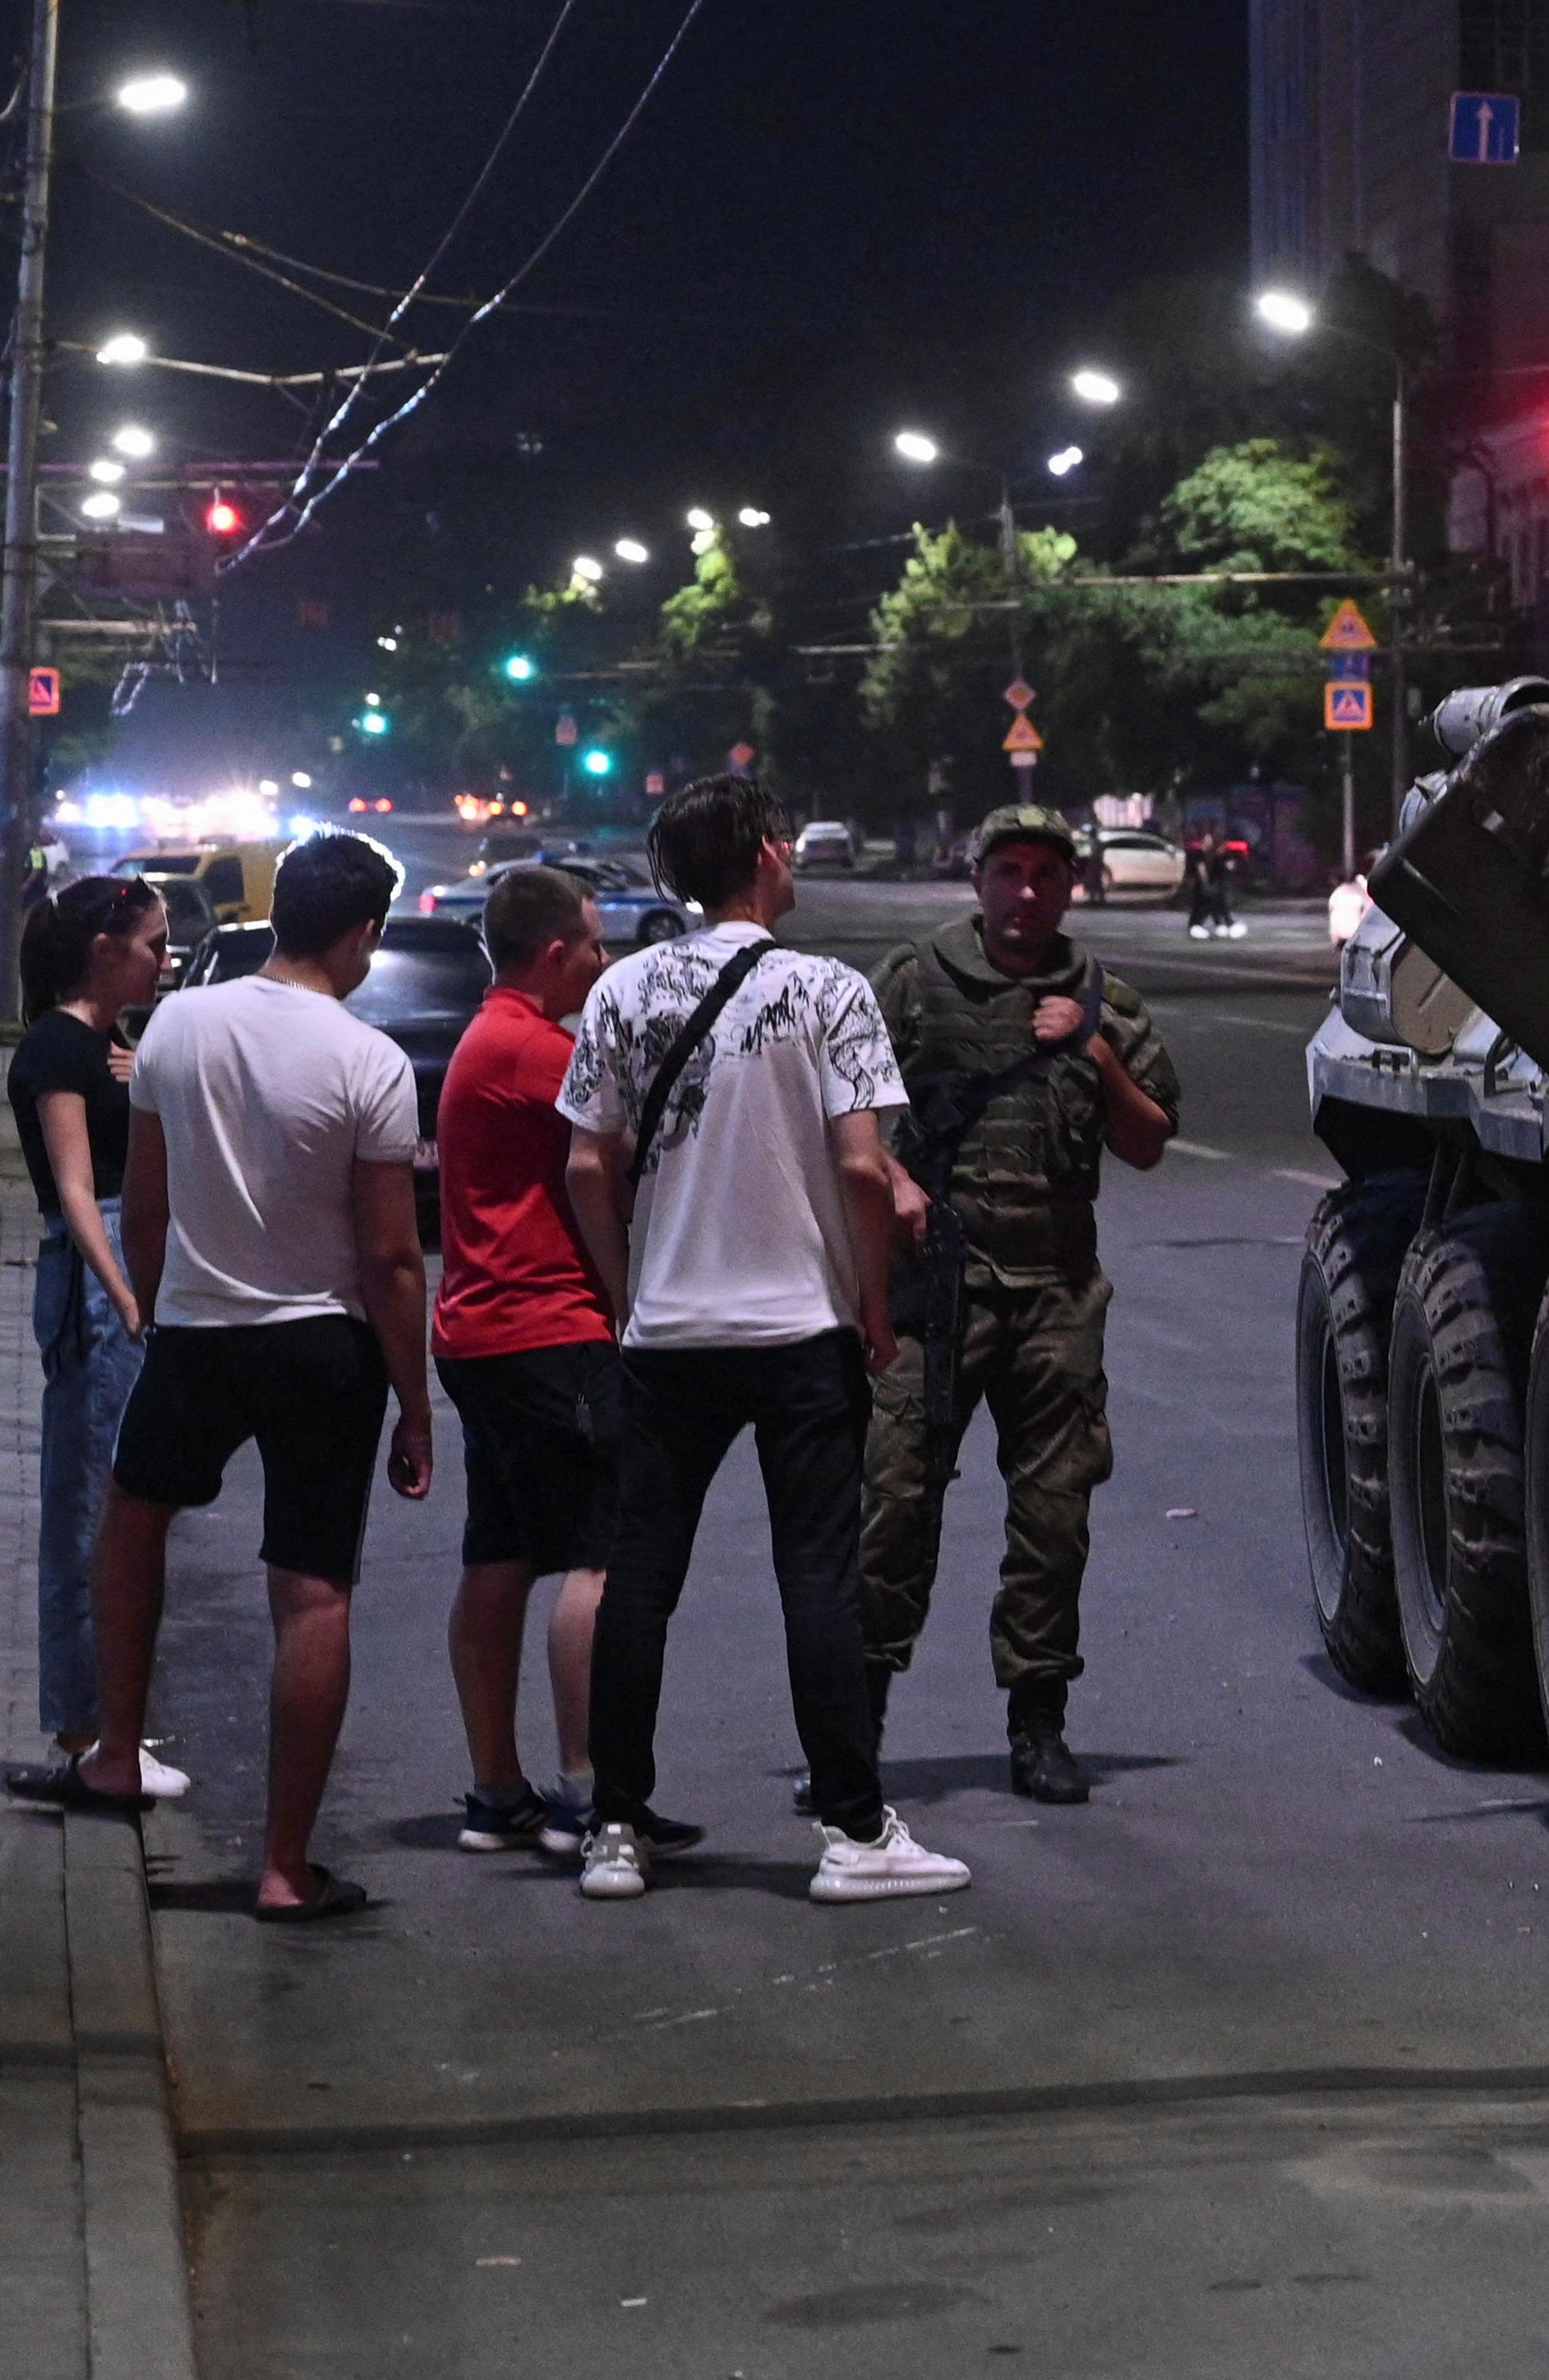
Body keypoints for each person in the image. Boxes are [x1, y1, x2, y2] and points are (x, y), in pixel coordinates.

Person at [560, 774, 966, 1907]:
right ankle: (852, 1832)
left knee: (641, 1578)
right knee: (817, 1579)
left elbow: (587, 1164)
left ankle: (614, 1827)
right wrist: (874, 1305)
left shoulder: (623, 990)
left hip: (669, 1331)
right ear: (768, 857)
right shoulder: (829, 990)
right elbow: (856, 1165)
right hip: (798, 1331)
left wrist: (626, 1289)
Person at [67, 833, 432, 1925]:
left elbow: (149, 1197)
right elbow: (391, 1258)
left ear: (279, 917)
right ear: (361, 933)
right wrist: (415, 1403)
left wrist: (151, 1303)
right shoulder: (369, 1062)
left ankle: (117, 1753)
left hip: (198, 1329)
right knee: (313, 1589)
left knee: (135, 1521)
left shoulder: (179, 1022)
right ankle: (283, 1867)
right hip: (324, 1343)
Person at [860, 801, 1178, 1804]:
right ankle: (853, 1729)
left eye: (1048, 874)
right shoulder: (914, 982)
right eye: (1010, 872)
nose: (1027, 892)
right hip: (933, 1295)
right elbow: (837, 1110)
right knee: (892, 1505)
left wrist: (1097, 1056)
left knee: (1053, 1519)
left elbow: (1148, 1139)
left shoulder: (1102, 997)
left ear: (1072, 886)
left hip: (1054, 1297)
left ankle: (1038, 1723)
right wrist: (892, 1183)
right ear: (978, 879)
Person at [432, 862, 643, 1858]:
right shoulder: (535, 1049)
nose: (605, 962)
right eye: (596, 947)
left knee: (500, 1556)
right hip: (550, 1330)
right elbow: (619, 1145)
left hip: (480, 1332)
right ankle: (588, 1792)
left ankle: (496, 1790)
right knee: (600, 1557)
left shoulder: (488, 1038)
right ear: (555, 955)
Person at [4, 876, 190, 1809]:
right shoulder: (56, 1047)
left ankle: (107, 1724)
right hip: (94, 1270)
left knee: (118, 1503)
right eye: (154, 943)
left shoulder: (107, 1047)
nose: (166, 958)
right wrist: (124, 1295)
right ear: (105, 947)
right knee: (88, 1507)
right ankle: (85, 1731)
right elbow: (76, 1188)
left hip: (121, 1261)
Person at [1180, 822, 1240, 940]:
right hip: (1205, 887)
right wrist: (1203, 880)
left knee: (1215, 905)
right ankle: (1212, 925)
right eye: (1205, 841)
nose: (1206, 843)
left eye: (1208, 841)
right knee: (1206, 906)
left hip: (1214, 886)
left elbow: (1227, 867)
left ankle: (1221, 924)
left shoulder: (1218, 855)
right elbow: (1199, 869)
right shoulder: (1201, 855)